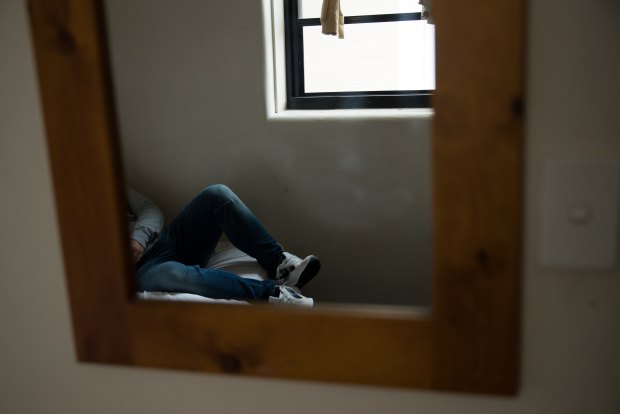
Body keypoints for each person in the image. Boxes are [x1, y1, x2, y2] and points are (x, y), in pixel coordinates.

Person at [127, 185, 320, 307]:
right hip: (140, 272)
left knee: (217, 195)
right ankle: (275, 294)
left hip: (160, 242)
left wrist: (138, 239)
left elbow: (149, 209)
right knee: (168, 273)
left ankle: (279, 265)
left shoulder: (107, 185)